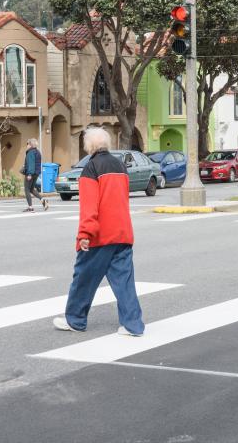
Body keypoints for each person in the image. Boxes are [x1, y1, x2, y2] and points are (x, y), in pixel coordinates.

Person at [52, 127, 144, 337]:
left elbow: (89, 207)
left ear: (89, 146)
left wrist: (84, 234)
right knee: (124, 281)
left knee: (83, 278)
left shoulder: (91, 168)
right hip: (123, 232)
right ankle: (133, 325)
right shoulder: (120, 166)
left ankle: (75, 319)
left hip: (100, 236)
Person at [22, 138, 48, 212]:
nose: (26, 145)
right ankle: (43, 200)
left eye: (27, 144)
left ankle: (30, 207)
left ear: (30, 145)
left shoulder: (30, 153)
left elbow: (31, 164)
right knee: (31, 189)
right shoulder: (38, 152)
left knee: (26, 189)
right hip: (36, 173)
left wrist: (29, 174)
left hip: (31, 173)